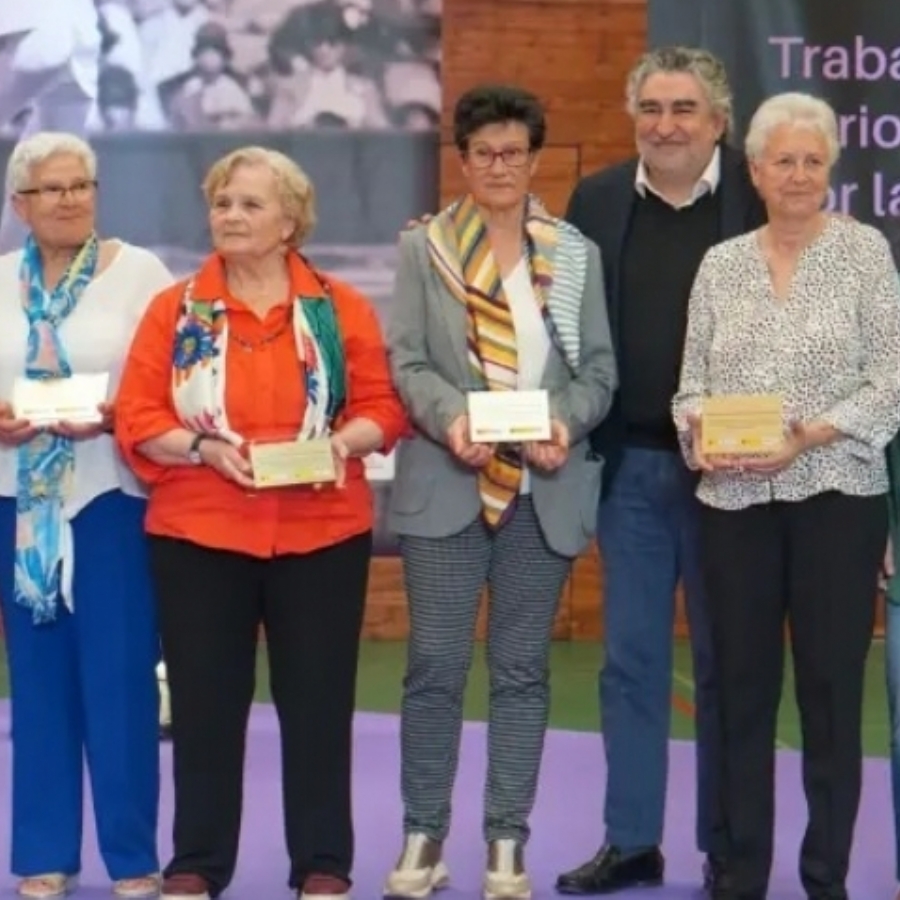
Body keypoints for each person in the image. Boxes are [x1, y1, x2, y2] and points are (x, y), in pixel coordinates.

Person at [114, 145, 408, 900]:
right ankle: (197, 864)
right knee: (205, 708)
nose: (231, 217)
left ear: (290, 221)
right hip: (199, 534)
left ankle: (322, 864)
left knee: (318, 704)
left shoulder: (340, 308)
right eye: (222, 203)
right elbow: (139, 417)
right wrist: (203, 447)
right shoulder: (174, 310)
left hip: (321, 533)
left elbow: (381, 406)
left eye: (249, 204)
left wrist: (341, 443)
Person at [383, 84, 617, 900]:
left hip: (539, 490)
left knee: (521, 671)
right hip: (449, 481)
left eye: (513, 153)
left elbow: (599, 373)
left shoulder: (574, 253)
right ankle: (422, 837)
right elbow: (407, 362)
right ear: (463, 159)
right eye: (483, 153)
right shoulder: (425, 249)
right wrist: (451, 420)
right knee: (435, 668)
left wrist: (563, 422)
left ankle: (506, 844)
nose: (499, 166)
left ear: (533, 159)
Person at [671, 92, 900, 900]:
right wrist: (698, 433)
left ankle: (824, 873)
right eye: (783, 161)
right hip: (733, 505)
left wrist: (805, 436)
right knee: (737, 687)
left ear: (830, 170)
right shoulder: (720, 265)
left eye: (813, 161)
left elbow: (891, 382)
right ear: (755, 171)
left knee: (832, 690)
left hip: (837, 497)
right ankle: (739, 871)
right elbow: (689, 385)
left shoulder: (867, 253)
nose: (798, 175)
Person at [555, 47, 766, 896]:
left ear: (719, 121)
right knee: (630, 665)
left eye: (684, 109)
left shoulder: (756, 200)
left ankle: (726, 848)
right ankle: (632, 840)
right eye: (651, 108)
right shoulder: (597, 201)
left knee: (726, 665)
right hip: (630, 470)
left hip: (734, 473)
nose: (666, 125)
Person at [0, 130, 173, 899]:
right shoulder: (0, 279)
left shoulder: (143, 274)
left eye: (81, 185)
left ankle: (134, 859)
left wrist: (112, 414)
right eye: (51, 188)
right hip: (19, 504)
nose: (69, 199)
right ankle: (43, 854)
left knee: (122, 681)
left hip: (111, 500)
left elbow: (174, 377)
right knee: (36, 683)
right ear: (20, 206)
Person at [0, 1, 101, 252]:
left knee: (53, 164)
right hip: (71, 35)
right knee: (46, 163)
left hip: (42, 30)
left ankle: (14, 265)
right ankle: (14, 264)